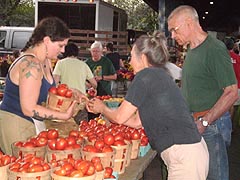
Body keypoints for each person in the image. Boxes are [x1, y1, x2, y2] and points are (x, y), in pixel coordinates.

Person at [87, 31, 209, 180]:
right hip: (191, 151)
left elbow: (119, 117)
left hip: (184, 154)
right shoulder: (159, 75)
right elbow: (136, 122)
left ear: (143, 57)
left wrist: (103, 108)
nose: (130, 62)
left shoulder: (145, 76)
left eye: (132, 57)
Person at [167, 5, 238, 180]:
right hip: (197, 123)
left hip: (211, 126)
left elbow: (231, 92)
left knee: (216, 176)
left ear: (189, 23)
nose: (172, 36)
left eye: (174, 30)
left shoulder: (214, 48)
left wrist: (204, 122)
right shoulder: (192, 49)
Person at [0, 17, 85, 155]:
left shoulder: (45, 61)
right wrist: (63, 115)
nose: (63, 51)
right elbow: (28, 109)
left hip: (32, 122)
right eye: (60, 45)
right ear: (46, 41)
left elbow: (49, 92)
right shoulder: (31, 66)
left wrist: (72, 92)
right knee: (24, 170)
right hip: (16, 122)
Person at [53, 42, 97, 124]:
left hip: (65, 102)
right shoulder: (83, 65)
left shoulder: (60, 63)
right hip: (81, 102)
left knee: (66, 128)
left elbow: (54, 82)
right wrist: (89, 86)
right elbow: (94, 83)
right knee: (82, 128)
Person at [224, 38, 240, 130]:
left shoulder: (221, 56)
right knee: (232, 107)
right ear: (233, 46)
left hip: (223, 86)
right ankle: (229, 127)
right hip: (236, 85)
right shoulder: (237, 58)